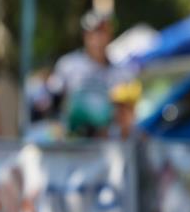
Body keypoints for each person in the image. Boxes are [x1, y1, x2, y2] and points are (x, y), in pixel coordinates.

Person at [48, 9, 134, 137]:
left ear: (110, 35)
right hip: (71, 139)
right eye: (93, 33)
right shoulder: (68, 65)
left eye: (102, 33)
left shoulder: (121, 73)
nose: (97, 39)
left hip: (106, 141)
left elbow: (127, 117)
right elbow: (52, 101)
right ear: (85, 35)